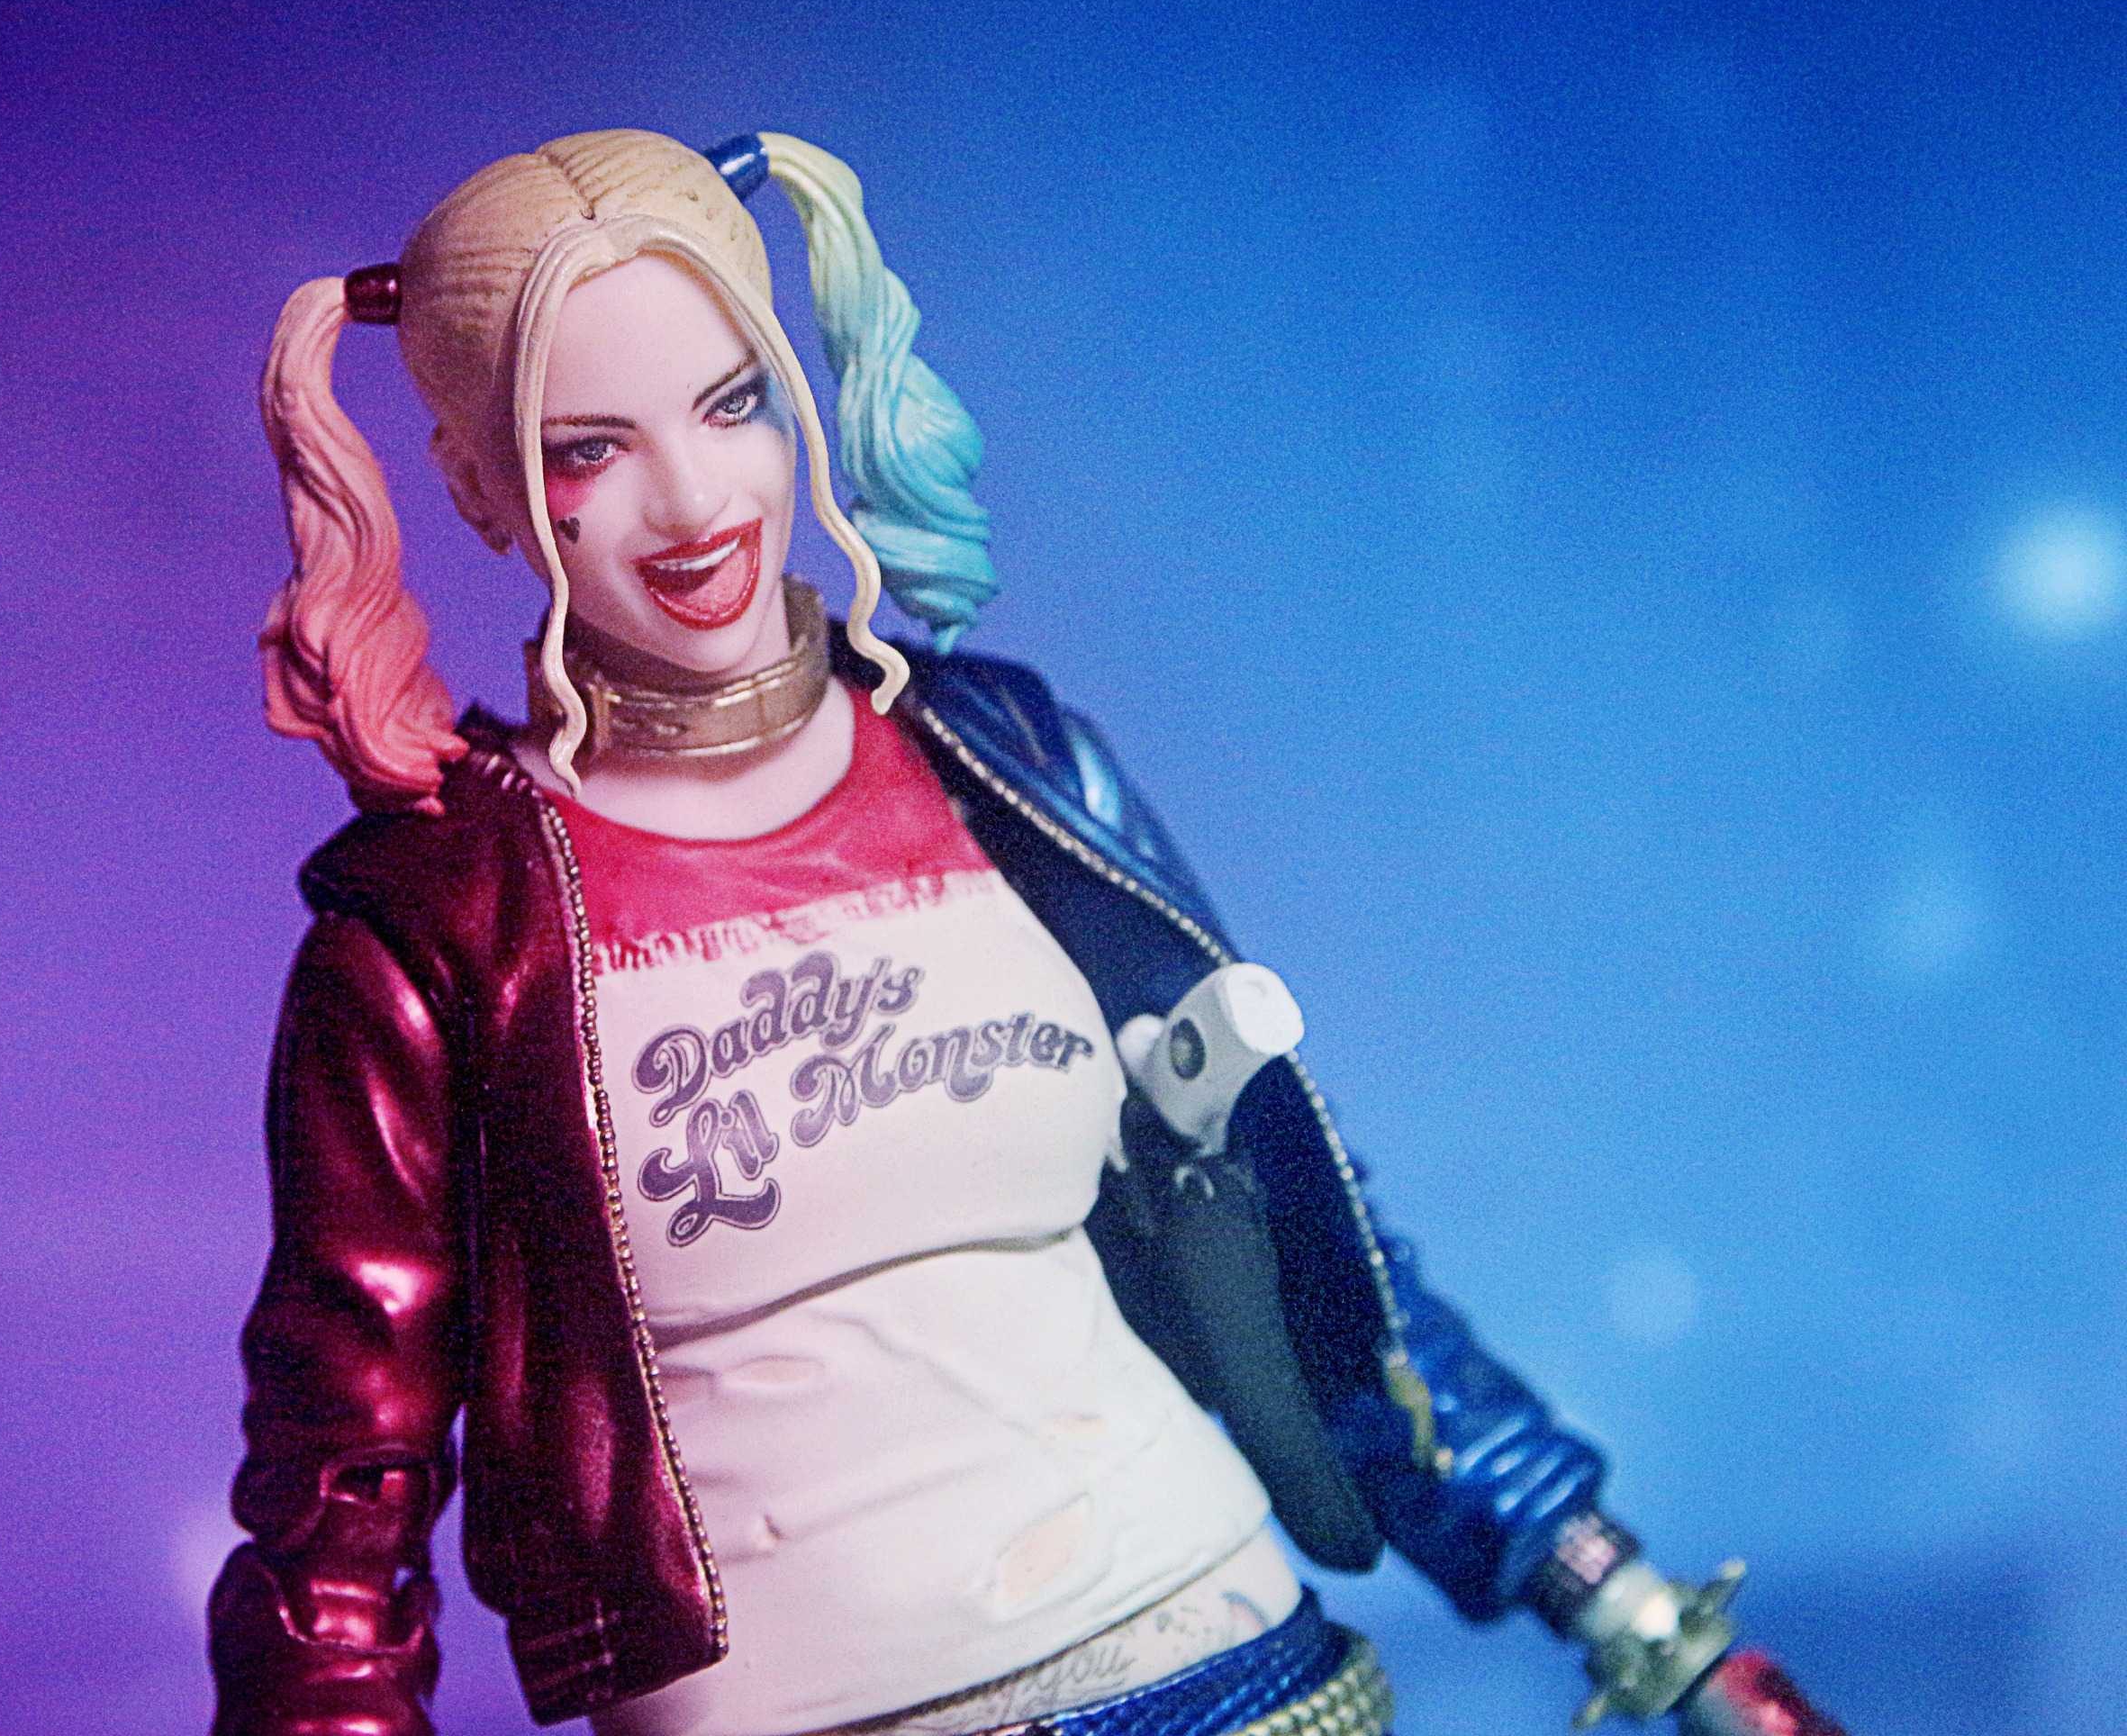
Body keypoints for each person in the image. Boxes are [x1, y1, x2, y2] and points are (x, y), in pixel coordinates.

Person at [209, 129, 1783, 1736]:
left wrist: (1627, 1605)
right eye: (586, 450)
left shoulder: (1001, 759)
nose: (694, 500)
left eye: (733, 403)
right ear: (475, 488)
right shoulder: (437, 926)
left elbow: (1308, 1223)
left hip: (1243, 1672)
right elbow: (341, 1483)